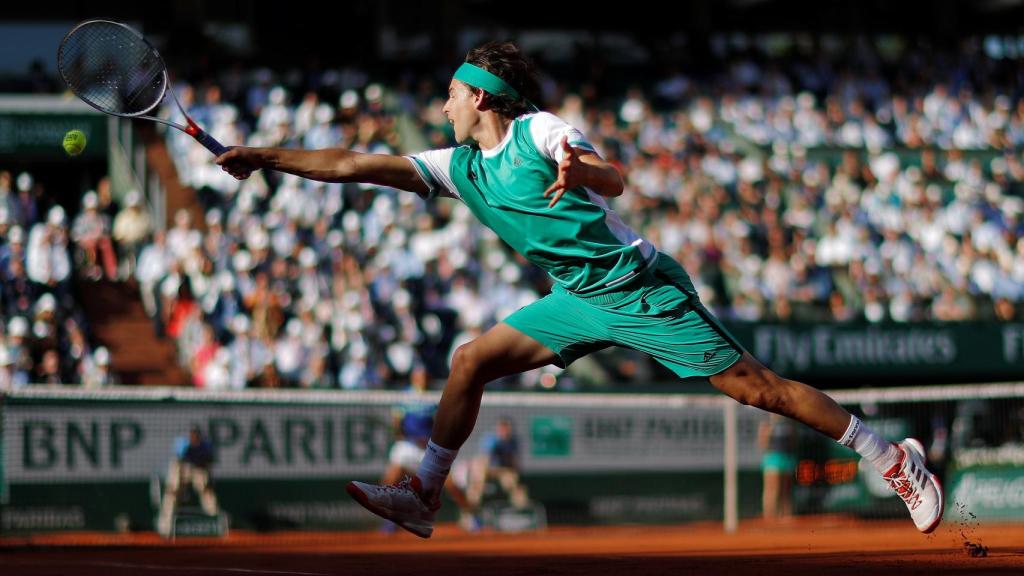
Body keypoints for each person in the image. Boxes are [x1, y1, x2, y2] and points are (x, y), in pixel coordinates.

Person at [216, 41, 943, 539]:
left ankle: (889, 458)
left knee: (762, 391)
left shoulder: (539, 132)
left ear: (481, 98)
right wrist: (266, 158)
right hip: (576, 298)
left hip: (639, 286)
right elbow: (350, 163)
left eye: (450, 97)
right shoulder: (456, 164)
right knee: (471, 360)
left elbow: (612, 177)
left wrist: (581, 173)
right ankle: (425, 493)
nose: (441, 108)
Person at [381, 365, 479, 532]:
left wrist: (431, 440)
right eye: (420, 376)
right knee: (389, 480)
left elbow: (441, 423)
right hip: (408, 446)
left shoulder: (436, 397)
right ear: (413, 378)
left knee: (452, 485)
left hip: (430, 447)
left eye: (425, 376)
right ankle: (391, 519)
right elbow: (397, 425)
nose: (423, 379)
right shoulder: (403, 396)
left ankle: (471, 515)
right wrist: (404, 435)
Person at [157, 426, 219, 536]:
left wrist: (207, 481)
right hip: (182, 468)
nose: (194, 437)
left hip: (198, 469)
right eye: (192, 435)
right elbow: (178, 462)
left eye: (196, 435)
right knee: (171, 494)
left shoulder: (205, 446)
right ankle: (165, 525)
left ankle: (215, 520)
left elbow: (209, 463)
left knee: (207, 492)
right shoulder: (183, 444)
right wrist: (175, 486)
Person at [467, 416, 529, 510]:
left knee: (513, 485)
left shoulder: (513, 441)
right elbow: (485, 458)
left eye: (506, 428)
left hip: (503, 470)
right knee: (477, 480)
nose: (504, 431)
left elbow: (514, 462)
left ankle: (521, 511)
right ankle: (470, 510)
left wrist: (513, 472)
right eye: (502, 428)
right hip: (488, 468)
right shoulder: (491, 439)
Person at [759, 414, 797, 522]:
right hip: (773, 458)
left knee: (786, 489)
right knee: (771, 488)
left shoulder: (789, 421)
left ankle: (786, 516)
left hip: (787, 457)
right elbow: (762, 441)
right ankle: (769, 516)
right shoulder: (767, 421)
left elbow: (794, 438)